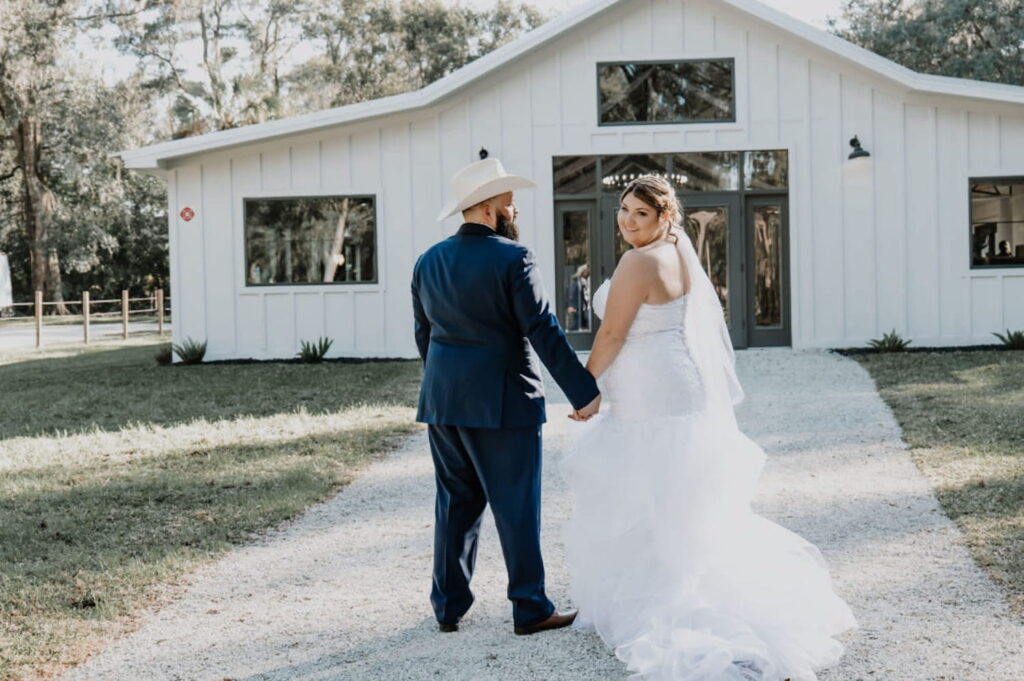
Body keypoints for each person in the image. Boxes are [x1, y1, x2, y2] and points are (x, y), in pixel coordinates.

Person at [561, 175, 857, 680]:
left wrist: (584, 387)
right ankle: (692, 579)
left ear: (664, 218)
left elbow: (612, 332)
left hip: (650, 393)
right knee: (683, 495)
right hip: (680, 386)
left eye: (641, 214)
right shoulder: (678, 251)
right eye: (624, 210)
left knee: (648, 492)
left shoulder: (639, 261)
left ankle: (667, 597)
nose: (628, 221)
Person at [411, 157, 602, 636]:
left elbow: (424, 335)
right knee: (516, 504)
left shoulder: (428, 260)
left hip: (443, 401)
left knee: (455, 502)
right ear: (492, 206)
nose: (515, 208)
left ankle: (448, 607)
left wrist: (445, 383)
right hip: (504, 402)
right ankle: (530, 607)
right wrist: (583, 392)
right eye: (509, 201)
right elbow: (542, 327)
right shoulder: (514, 258)